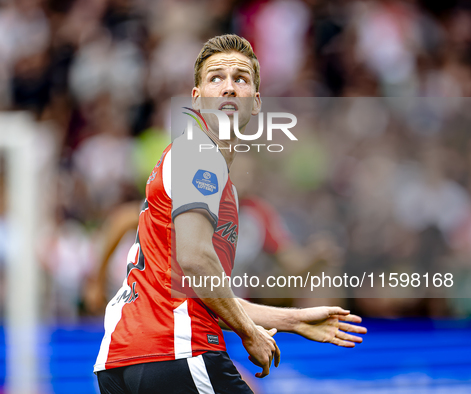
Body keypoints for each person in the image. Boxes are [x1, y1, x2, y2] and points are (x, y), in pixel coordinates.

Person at [94, 34, 367, 394]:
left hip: (123, 360)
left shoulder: (210, 174)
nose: (228, 87)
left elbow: (202, 290)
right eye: (215, 78)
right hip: (175, 351)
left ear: (255, 103)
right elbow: (195, 260)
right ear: (197, 99)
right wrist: (250, 333)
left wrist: (293, 320)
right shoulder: (199, 154)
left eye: (240, 79)